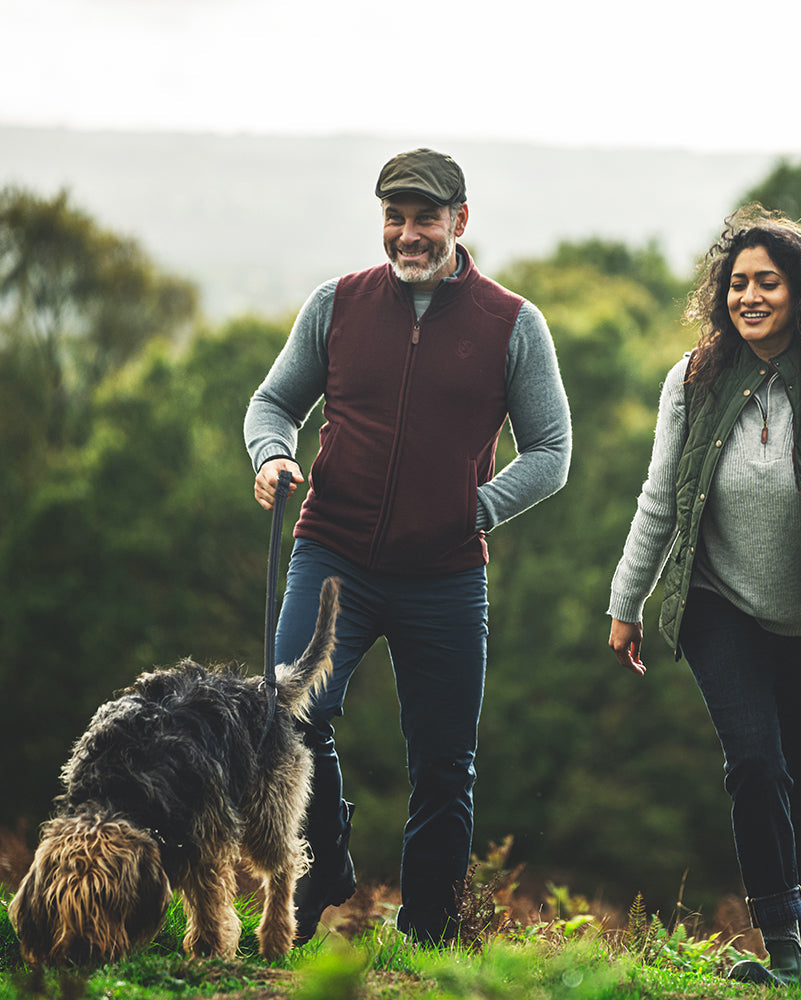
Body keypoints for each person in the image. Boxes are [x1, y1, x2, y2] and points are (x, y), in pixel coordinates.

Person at [245, 148, 571, 944]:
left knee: (443, 765)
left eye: (426, 218)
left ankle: (428, 931)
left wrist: (476, 510)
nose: (408, 233)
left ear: (461, 221)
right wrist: (273, 454)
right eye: (395, 216)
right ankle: (326, 863)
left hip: (446, 579)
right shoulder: (338, 304)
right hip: (332, 556)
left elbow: (551, 452)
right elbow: (274, 402)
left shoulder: (512, 323)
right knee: (284, 718)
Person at [607, 205, 801, 987]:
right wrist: (626, 601)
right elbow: (659, 498)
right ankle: (782, 946)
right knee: (755, 763)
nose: (749, 296)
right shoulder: (693, 379)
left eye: (767, 283)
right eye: (737, 283)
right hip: (722, 605)